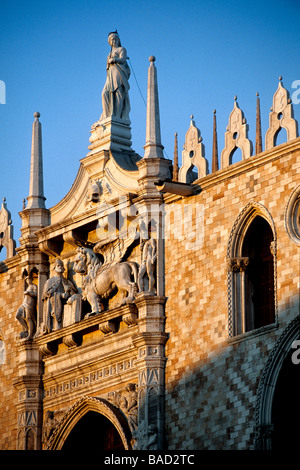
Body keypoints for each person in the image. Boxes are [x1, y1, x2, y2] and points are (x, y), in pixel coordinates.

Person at [100, 31, 131, 121]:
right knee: (105, 93)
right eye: (111, 39)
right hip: (110, 75)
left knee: (118, 93)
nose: (113, 41)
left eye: (115, 39)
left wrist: (114, 59)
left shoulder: (122, 49)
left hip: (119, 72)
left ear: (118, 40)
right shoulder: (109, 53)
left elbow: (122, 59)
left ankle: (117, 116)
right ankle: (107, 115)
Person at [41, 259, 77, 333]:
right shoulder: (49, 281)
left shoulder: (67, 281)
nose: (60, 267)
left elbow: (73, 293)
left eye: (61, 265)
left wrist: (69, 294)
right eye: (58, 265)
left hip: (65, 307)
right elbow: (46, 296)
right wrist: (60, 295)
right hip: (54, 307)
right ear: (54, 268)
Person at [16, 276, 37, 340]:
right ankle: (26, 328)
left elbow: (36, 294)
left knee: (29, 318)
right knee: (18, 315)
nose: (28, 281)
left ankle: (30, 334)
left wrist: (29, 293)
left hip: (30, 304)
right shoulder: (28, 287)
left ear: (31, 279)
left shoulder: (34, 286)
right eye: (27, 280)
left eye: (29, 279)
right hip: (24, 303)